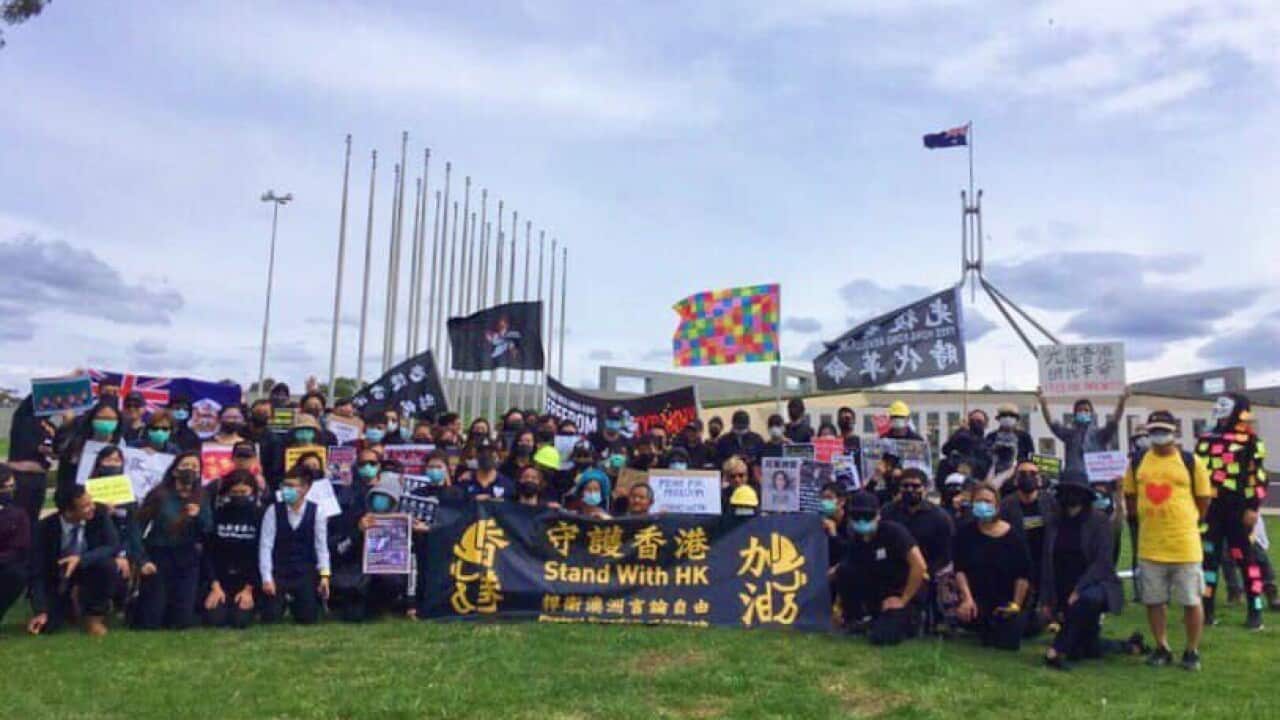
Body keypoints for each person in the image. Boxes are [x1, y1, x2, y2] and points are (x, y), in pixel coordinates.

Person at [1123, 410, 1211, 671]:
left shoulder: (1190, 461)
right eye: (1153, 431)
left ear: (1174, 432)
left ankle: (1191, 650)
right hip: (1150, 545)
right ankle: (1162, 647)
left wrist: (1189, 520)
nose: (1158, 436)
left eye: (1163, 430)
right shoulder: (1138, 461)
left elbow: (1204, 499)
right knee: (1153, 601)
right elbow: (1129, 494)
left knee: (1191, 600)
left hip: (1184, 545)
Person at [1042, 470, 1145, 670]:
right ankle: (1130, 645)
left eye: (1075, 491)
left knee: (1085, 600)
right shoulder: (1054, 522)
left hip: (1096, 585)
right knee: (1085, 648)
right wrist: (1047, 599)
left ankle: (1056, 650)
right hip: (1063, 586)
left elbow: (1102, 563)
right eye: (1066, 491)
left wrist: (1078, 589)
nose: (1070, 496)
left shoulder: (1099, 521)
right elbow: (1047, 563)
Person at [1195, 393, 1269, 629]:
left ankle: (1255, 609)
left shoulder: (1250, 440)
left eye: (1224, 405)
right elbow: (1197, 473)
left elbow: (1257, 477)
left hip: (1238, 509)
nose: (1218, 408)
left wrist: (1252, 507)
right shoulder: (1206, 439)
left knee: (1245, 559)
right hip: (1211, 510)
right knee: (1209, 559)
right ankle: (1206, 611)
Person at [834, 491, 927, 645]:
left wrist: (903, 599)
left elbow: (919, 566)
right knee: (844, 571)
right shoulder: (856, 538)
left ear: (878, 515)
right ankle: (854, 619)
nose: (862, 521)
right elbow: (845, 568)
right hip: (877, 591)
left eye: (867, 516)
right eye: (857, 516)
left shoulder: (894, 533)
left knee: (882, 637)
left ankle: (913, 620)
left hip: (903, 591)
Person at [28, 485, 123, 636]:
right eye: (85, 506)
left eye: (91, 502)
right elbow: (37, 571)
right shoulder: (44, 528)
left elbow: (112, 545)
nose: (92, 507)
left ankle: (94, 617)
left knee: (107, 565)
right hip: (59, 575)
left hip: (90, 568)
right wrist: (40, 610)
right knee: (48, 627)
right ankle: (70, 604)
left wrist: (81, 559)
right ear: (68, 511)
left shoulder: (99, 513)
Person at [132, 458, 212, 629]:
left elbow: (208, 529)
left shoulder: (202, 496)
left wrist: (198, 516)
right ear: (175, 471)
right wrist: (142, 560)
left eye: (194, 467)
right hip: (159, 554)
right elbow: (137, 528)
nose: (190, 470)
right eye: (185, 466)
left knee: (181, 621)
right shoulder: (159, 495)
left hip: (187, 556)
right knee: (151, 621)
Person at [954, 482, 1032, 650]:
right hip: (978, 598)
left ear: (997, 505)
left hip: (1008, 600)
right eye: (979, 501)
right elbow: (960, 570)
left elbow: (1023, 575)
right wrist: (967, 599)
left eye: (988, 501)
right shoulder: (965, 533)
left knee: (1007, 642)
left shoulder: (1014, 536)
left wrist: (1016, 605)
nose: (984, 505)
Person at [881, 468, 954, 630]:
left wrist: (929, 572)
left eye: (915, 486)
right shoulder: (888, 512)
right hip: (892, 571)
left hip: (925, 574)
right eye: (905, 486)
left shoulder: (940, 517)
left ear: (925, 488)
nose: (910, 490)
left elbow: (945, 554)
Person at [259, 468, 329, 625]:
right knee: (270, 617)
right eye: (284, 485)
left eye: (292, 486)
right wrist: (267, 579)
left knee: (308, 618)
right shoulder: (273, 511)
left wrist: (324, 576)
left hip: (304, 572)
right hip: (279, 572)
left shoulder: (317, 512)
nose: (286, 490)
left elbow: (321, 548)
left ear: (305, 488)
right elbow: (265, 546)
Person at [999, 461, 1058, 632]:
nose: (1028, 478)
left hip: (1045, 562)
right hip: (1017, 565)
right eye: (1023, 474)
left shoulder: (1050, 502)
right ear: (1016, 480)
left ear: (1039, 479)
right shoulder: (1006, 505)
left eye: (1033, 473)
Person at [202, 470, 262, 629]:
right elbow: (208, 552)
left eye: (244, 492)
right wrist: (215, 587)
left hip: (248, 582)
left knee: (239, 621)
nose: (239, 495)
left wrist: (249, 589)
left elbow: (260, 555)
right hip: (220, 580)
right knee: (215, 620)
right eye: (234, 492)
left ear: (253, 492)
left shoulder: (260, 516)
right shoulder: (218, 515)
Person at [1037, 387, 1129, 474]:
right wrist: (1043, 404)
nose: (1083, 412)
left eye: (1086, 410)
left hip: (1095, 482)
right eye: (1080, 410)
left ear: (1091, 414)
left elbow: (1114, 422)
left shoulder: (1100, 435)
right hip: (1075, 481)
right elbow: (1052, 424)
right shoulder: (1069, 434)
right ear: (1074, 414)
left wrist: (1122, 402)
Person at [0, 465, 31, 633]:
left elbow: (19, 548)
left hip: (5, 565)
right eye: (5, 487)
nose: (9, 491)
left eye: (12, 487)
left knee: (16, 575)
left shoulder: (17, 515)